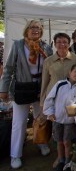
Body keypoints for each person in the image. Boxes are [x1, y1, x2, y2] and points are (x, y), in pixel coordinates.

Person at [0, 20, 53, 169]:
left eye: (37, 27)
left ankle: (41, 143)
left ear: (41, 31)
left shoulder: (46, 47)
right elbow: (9, 68)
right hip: (22, 88)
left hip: (40, 89)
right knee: (19, 122)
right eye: (32, 27)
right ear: (26, 30)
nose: (35, 30)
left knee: (40, 119)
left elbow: (51, 69)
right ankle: (15, 154)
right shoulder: (18, 45)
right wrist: (3, 89)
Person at [43, 64, 76, 171]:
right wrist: (50, 113)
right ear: (69, 72)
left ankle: (67, 161)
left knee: (67, 141)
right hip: (57, 119)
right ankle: (60, 160)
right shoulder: (59, 85)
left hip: (69, 121)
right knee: (59, 141)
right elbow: (49, 99)